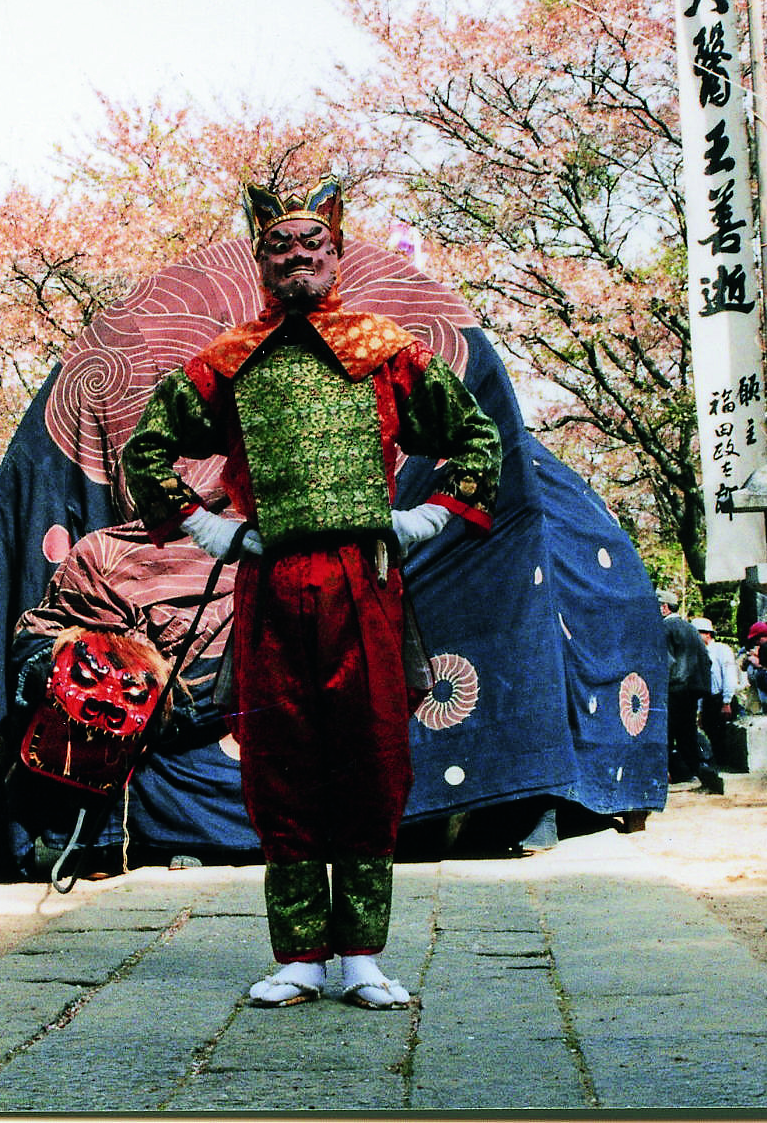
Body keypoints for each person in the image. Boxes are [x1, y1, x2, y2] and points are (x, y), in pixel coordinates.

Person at [121, 175, 502, 1009]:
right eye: (279, 247)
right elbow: (146, 451)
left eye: (312, 245)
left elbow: (475, 434)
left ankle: (362, 951)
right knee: (280, 760)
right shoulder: (228, 358)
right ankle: (298, 953)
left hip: (363, 580)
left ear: (336, 254)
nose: (296, 257)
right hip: (269, 581)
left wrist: (431, 518)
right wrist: (205, 526)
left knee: (371, 755)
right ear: (259, 259)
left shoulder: (383, 347)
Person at [660, 592, 723, 794]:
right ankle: (699, 774)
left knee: (667, 733)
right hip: (693, 689)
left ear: (664, 608)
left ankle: (669, 775)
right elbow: (706, 660)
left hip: (674, 688)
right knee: (687, 733)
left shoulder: (665, 628)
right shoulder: (690, 628)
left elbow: (666, 662)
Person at [693, 617, 740, 772]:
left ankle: (729, 764)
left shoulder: (721, 650)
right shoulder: (698, 654)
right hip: (707, 699)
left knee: (724, 735)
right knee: (711, 735)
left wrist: (727, 701)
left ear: (707, 634)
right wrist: (700, 709)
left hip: (720, 698)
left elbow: (729, 675)